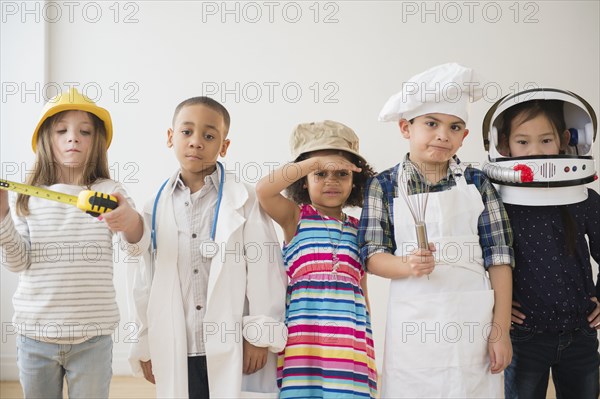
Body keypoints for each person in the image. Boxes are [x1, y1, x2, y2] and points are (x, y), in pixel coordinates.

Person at [358, 63, 514, 398]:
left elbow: (499, 258)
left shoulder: (477, 182)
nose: (443, 134)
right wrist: (406, 265)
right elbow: (372, 255)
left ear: (464, 136)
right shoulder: (383, 185)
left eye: (454, 126)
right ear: (405, 127)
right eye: (432, 123)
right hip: (414, 327)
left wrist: (500, 331)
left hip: (473, 323)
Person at [129, 96, 288, 398]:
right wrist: (146, 341)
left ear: (224, 146)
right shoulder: (154, 206)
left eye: (209, 135)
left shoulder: (245, 200)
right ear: (170, 137)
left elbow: (265, 269)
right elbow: (144, 282)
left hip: (233, 342)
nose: (196, 142)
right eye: (186, 132)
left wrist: (258, 334)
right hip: (178, 343)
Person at [0, 88, 146, 398]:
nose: (73, 138)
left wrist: (129, 220)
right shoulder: (25, 195)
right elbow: (17, 262)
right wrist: (2, 219)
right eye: (62, 130)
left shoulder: (109, 191)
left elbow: (136, 245)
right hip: (35, 335)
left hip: (92, 337)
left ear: (97, 142)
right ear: (45, 140)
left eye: (85, 131)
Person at [256, 120, 378, 398]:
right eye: (320, 173)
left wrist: (368, 334)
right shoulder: (296, 217)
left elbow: (362, 286)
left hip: (349, 336)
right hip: (304, 334)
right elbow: (264, 191)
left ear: (354, 180)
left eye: (342, 174)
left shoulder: (360, 228)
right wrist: (314, 161)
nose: (331, 181)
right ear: (304, 180)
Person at [491, 95, 600, 399]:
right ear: (504, 145)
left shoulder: (585, 199)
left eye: (546, 140)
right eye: (523, 142)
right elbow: (481, 259)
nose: (535, 152)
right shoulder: (497, 202)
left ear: (564, 140)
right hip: (525, 336)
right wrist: (496, 307)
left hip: (580, 333)